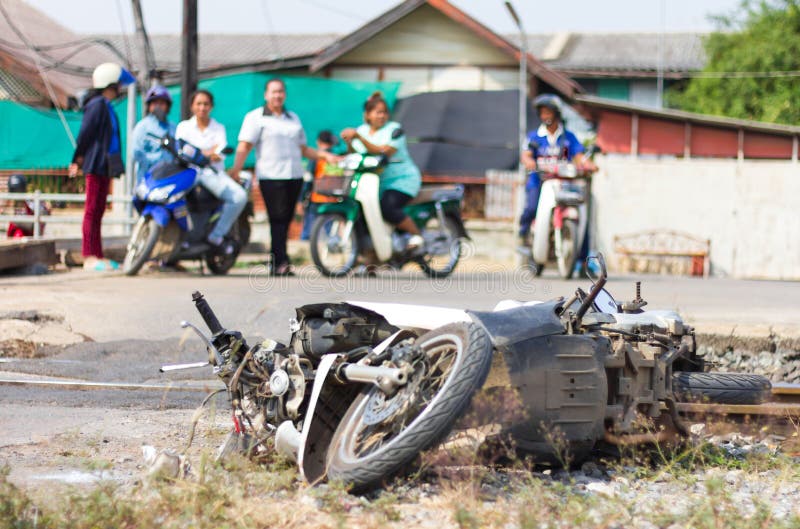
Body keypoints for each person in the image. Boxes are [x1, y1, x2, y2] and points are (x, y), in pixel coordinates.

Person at [229, 78, 338, 276]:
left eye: (280, 92)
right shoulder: (256, 117)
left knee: (286, 219)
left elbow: (304, 149)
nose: (277, 95)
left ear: (284, 94)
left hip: (294, 174)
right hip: (271, 175)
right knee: (277, 218)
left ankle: (279, 261)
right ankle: (280, 261)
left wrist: (325, 155)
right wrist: (236, 169)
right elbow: (245, 146)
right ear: (266, 95)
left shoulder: (292, 118)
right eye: (273, 92)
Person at [69, 62, 135, 271]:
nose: (118, 89)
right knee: (91, 210)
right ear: (109, 83)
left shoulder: (105, 105)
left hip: (104, 165)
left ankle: (97, 254)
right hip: (95, 164)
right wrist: (77, 158)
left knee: (98, 211)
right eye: (116, 85)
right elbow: (86, 133)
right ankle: (89, 255)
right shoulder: (97, 104)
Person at [340, 91, 423, 250]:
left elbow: (383, 152)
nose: (382, 116)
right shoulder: (362, 130)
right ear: (368, 115)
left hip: (401, 181)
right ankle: (369, 257)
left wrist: (359, 138)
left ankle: (415, 234)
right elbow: (355, 154)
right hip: (375, 184)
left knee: (387, 206)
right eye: (378, 112)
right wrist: (350, 142)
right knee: (363, 213)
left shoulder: (394, 129)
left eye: (385, 112)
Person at [518, 94, 595, 249]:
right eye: (543, 112)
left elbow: (579, 156)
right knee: (531, 207)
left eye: (549, 112)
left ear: (557, 113)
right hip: (539, 180)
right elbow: (525, 156)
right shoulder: (534, 136)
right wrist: (530, 162)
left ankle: (582, 258)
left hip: (563, 182)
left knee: (580, 214)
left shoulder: (568, 137)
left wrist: (590, 165)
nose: (545, 115)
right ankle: (523, 235)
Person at [175, 89, 246, 252]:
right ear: (192, 106)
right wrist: (207, 152)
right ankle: (179, 238)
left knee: (239, 197)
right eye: (198, 104)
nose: (202, 108)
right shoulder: (183, 127)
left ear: (211, 107)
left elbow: (218, 154)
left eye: (206, 104)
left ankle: (216, 234)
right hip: (188, 172)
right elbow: (180, 150)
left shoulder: (218, 128)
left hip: (211, 173)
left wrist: (196, 151)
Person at [132, 85, 176, 185]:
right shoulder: (142, 127)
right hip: (148, 178)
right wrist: (155, 163)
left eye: (162, 103)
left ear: (168, 106)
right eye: (155, 103)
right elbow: (136, 152)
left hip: (169, 178)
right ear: (149, 106)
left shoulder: (173, 128)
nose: (158, 106)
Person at [300, 130, 339, 241]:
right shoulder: (336, 156)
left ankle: (305, 246)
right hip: (334, 197)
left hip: (317, 197)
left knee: (309, 227)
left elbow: (308, 178)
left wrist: (302, 198)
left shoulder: (317, 157)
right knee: (330, 228)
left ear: (318, 142)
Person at [4, 174, 49, 238]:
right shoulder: (11, 203)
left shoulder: (30, 201)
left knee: (19, 234)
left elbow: (44, 212)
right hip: (18, 232)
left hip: (29, 232)